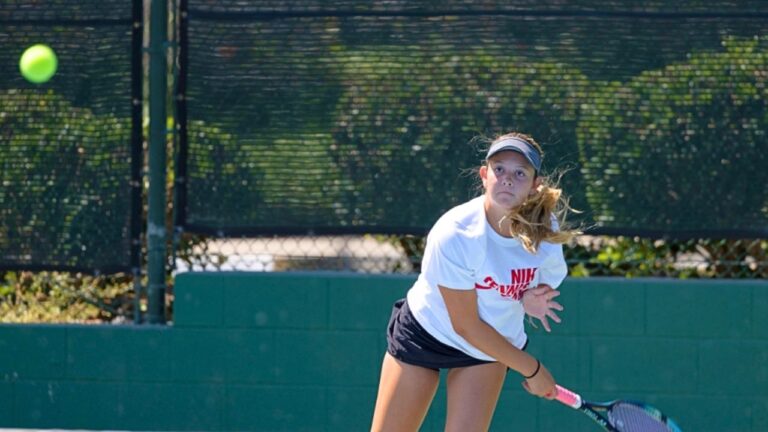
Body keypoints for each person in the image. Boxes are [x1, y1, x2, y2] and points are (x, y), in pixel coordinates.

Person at [370, 132, 581, 432]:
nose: (507, 179)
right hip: (426, 331)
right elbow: (466, 325)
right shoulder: (455, 233)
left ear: (536, 186)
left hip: (489, 346)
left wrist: (528, 298)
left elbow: (534, 285)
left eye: (520, 173)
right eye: (499, 169)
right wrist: (533, 370)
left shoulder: (545, 232)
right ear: (484, 176)